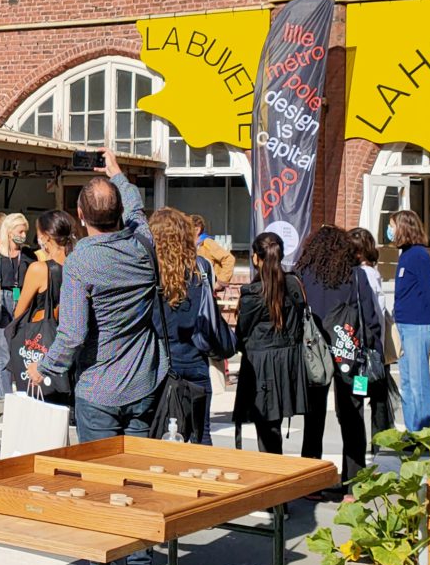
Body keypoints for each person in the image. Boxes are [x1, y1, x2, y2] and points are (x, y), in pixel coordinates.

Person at [29, 148, 166, 565]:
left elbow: (72, 333)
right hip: (145, 378)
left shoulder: (82, 261)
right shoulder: (143, 243)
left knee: (98, 485)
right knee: (139, 485)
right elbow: (137, 210)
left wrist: (43, 368)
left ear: (81, 215)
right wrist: (118, 174)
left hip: (97, 387)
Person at [298, 224, 383, 485]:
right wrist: (376, 353)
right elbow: (371, 320)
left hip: (316, 357)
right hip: (353, 358)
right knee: (353, 416)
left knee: (314, 416)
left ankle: (311, 483)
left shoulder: (302, 276)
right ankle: (352, 482)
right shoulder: (356, 277)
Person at [147, 206, 236, 446]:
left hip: (160, 363)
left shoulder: (150, 270)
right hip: (196, 358)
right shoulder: (202, 267)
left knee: (159, 436)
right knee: (201, 435)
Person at [235, 231, 309, 483]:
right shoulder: (293, 284)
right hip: (287, 362)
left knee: (266, 431)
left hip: (260, 364)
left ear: (256, 258)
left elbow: (241, 332)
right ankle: (276, 489)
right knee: (273, 428)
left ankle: (273, 491)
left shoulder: (253, 292)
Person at [11, 210, 76, 405]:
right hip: (71, 347)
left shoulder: (40, 269)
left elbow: (19, 312)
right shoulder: (78, 264)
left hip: (41, 348)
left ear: (46, 237)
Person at [389, 210, 430, 431]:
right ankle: (412, 431)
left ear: (404, 228)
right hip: (404, 324)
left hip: (417, 325)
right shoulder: (406, 254)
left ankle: (425, 432)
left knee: (418, 382)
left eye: (392, 225)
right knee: (407, 382)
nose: (389, 230)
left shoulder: (418, 255)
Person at [350, 225, 397, 437]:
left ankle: (377, 439)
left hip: (366, 350)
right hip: (375, 347)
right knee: (378, 394)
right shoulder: (372, 273)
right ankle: (380, 437)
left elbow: (372, 313)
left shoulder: (363, 275)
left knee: (365, 394)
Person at [0, 211, 30, 414]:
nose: (23, 235)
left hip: (19, 300)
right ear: (10, 232)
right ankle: (9, 401)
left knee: (11, 351)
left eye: (25, 231)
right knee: (3, 352)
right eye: (20, 231)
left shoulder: (26, 255)